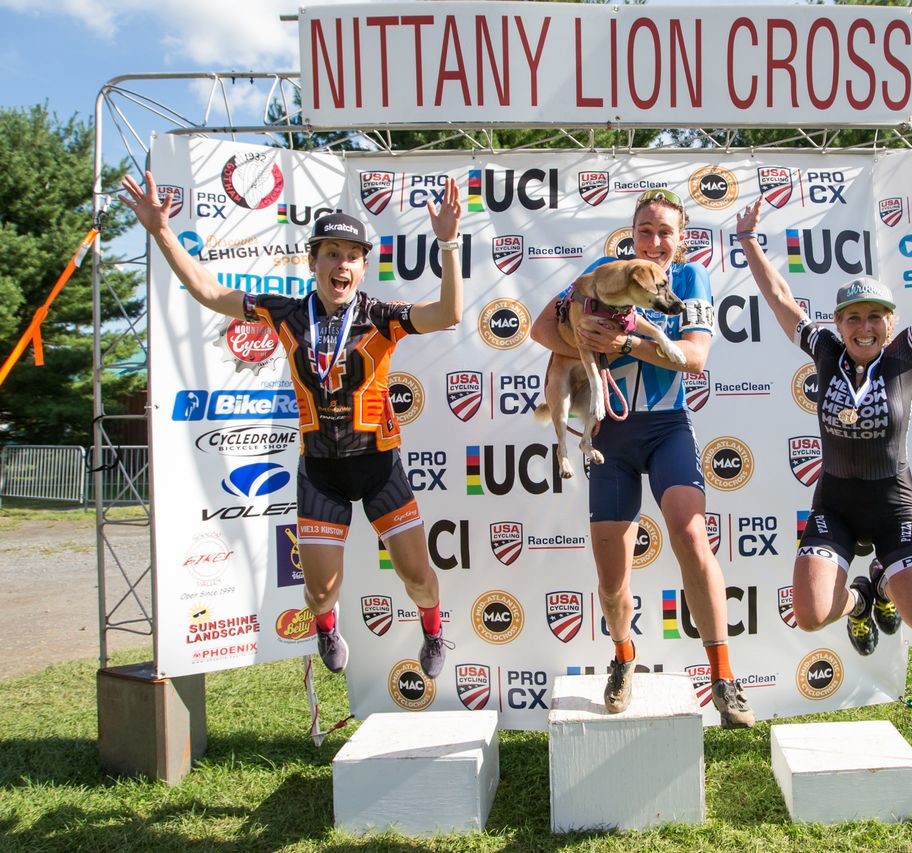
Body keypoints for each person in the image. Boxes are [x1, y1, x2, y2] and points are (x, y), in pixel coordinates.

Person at [119, 171, 463, 678]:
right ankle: (326, 626)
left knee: (418, 577)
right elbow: (210, 292)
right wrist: (161, 231)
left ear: (364, 267)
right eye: (331, 253)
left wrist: (449, 242)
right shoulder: (285, 313)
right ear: (313, 262)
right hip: (320, 470)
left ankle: (433, 630)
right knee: (321, 589)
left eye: (351, 255)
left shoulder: (381, 316)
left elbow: (450, 312)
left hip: (379, 466)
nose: (341, 263)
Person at [734, 158, 912, 655]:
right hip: (836, 505)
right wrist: (748, 240)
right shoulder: (824, 351)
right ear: (840, 324)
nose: (863, 327)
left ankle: (885, 582)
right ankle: (862, 597)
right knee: (811, 615)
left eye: (874, 318)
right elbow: (780, 296)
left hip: (893, 506)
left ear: (889, 324)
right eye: (853, 319)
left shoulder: (908, 352)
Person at [531, 187, 754, 728]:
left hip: (667, 428)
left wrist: (625, 343)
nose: (655, 241)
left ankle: (723, 678)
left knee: (691, 534)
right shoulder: (605, 273)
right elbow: (541, 329)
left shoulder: (692, 280)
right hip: (609, 436)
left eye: (665, 232)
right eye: (646, 231)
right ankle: (623, 657)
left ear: (681, 241)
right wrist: (576, 331)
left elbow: (695, 358)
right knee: (612, 578)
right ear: (633, 236)